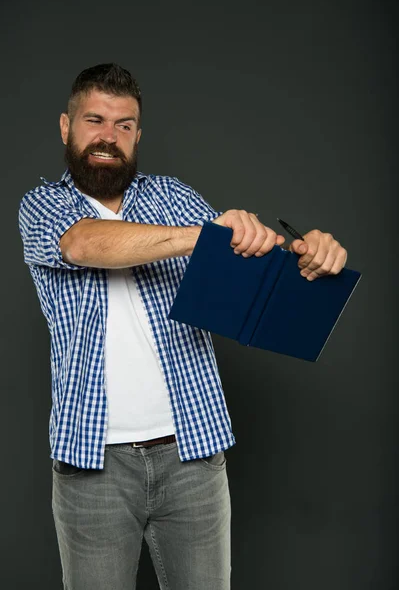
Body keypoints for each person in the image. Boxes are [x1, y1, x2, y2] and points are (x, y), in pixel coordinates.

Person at [18, 63, 347, 590]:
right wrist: (203, 235)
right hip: (91, 464)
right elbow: (85, 245)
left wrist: (311, 259)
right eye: (94, 120)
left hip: (192, 457)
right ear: (66, 126)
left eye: (124, 125)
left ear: (138, 135)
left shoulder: (173, 195)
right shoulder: (42, 206)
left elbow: (244, 276)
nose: (109, 136)